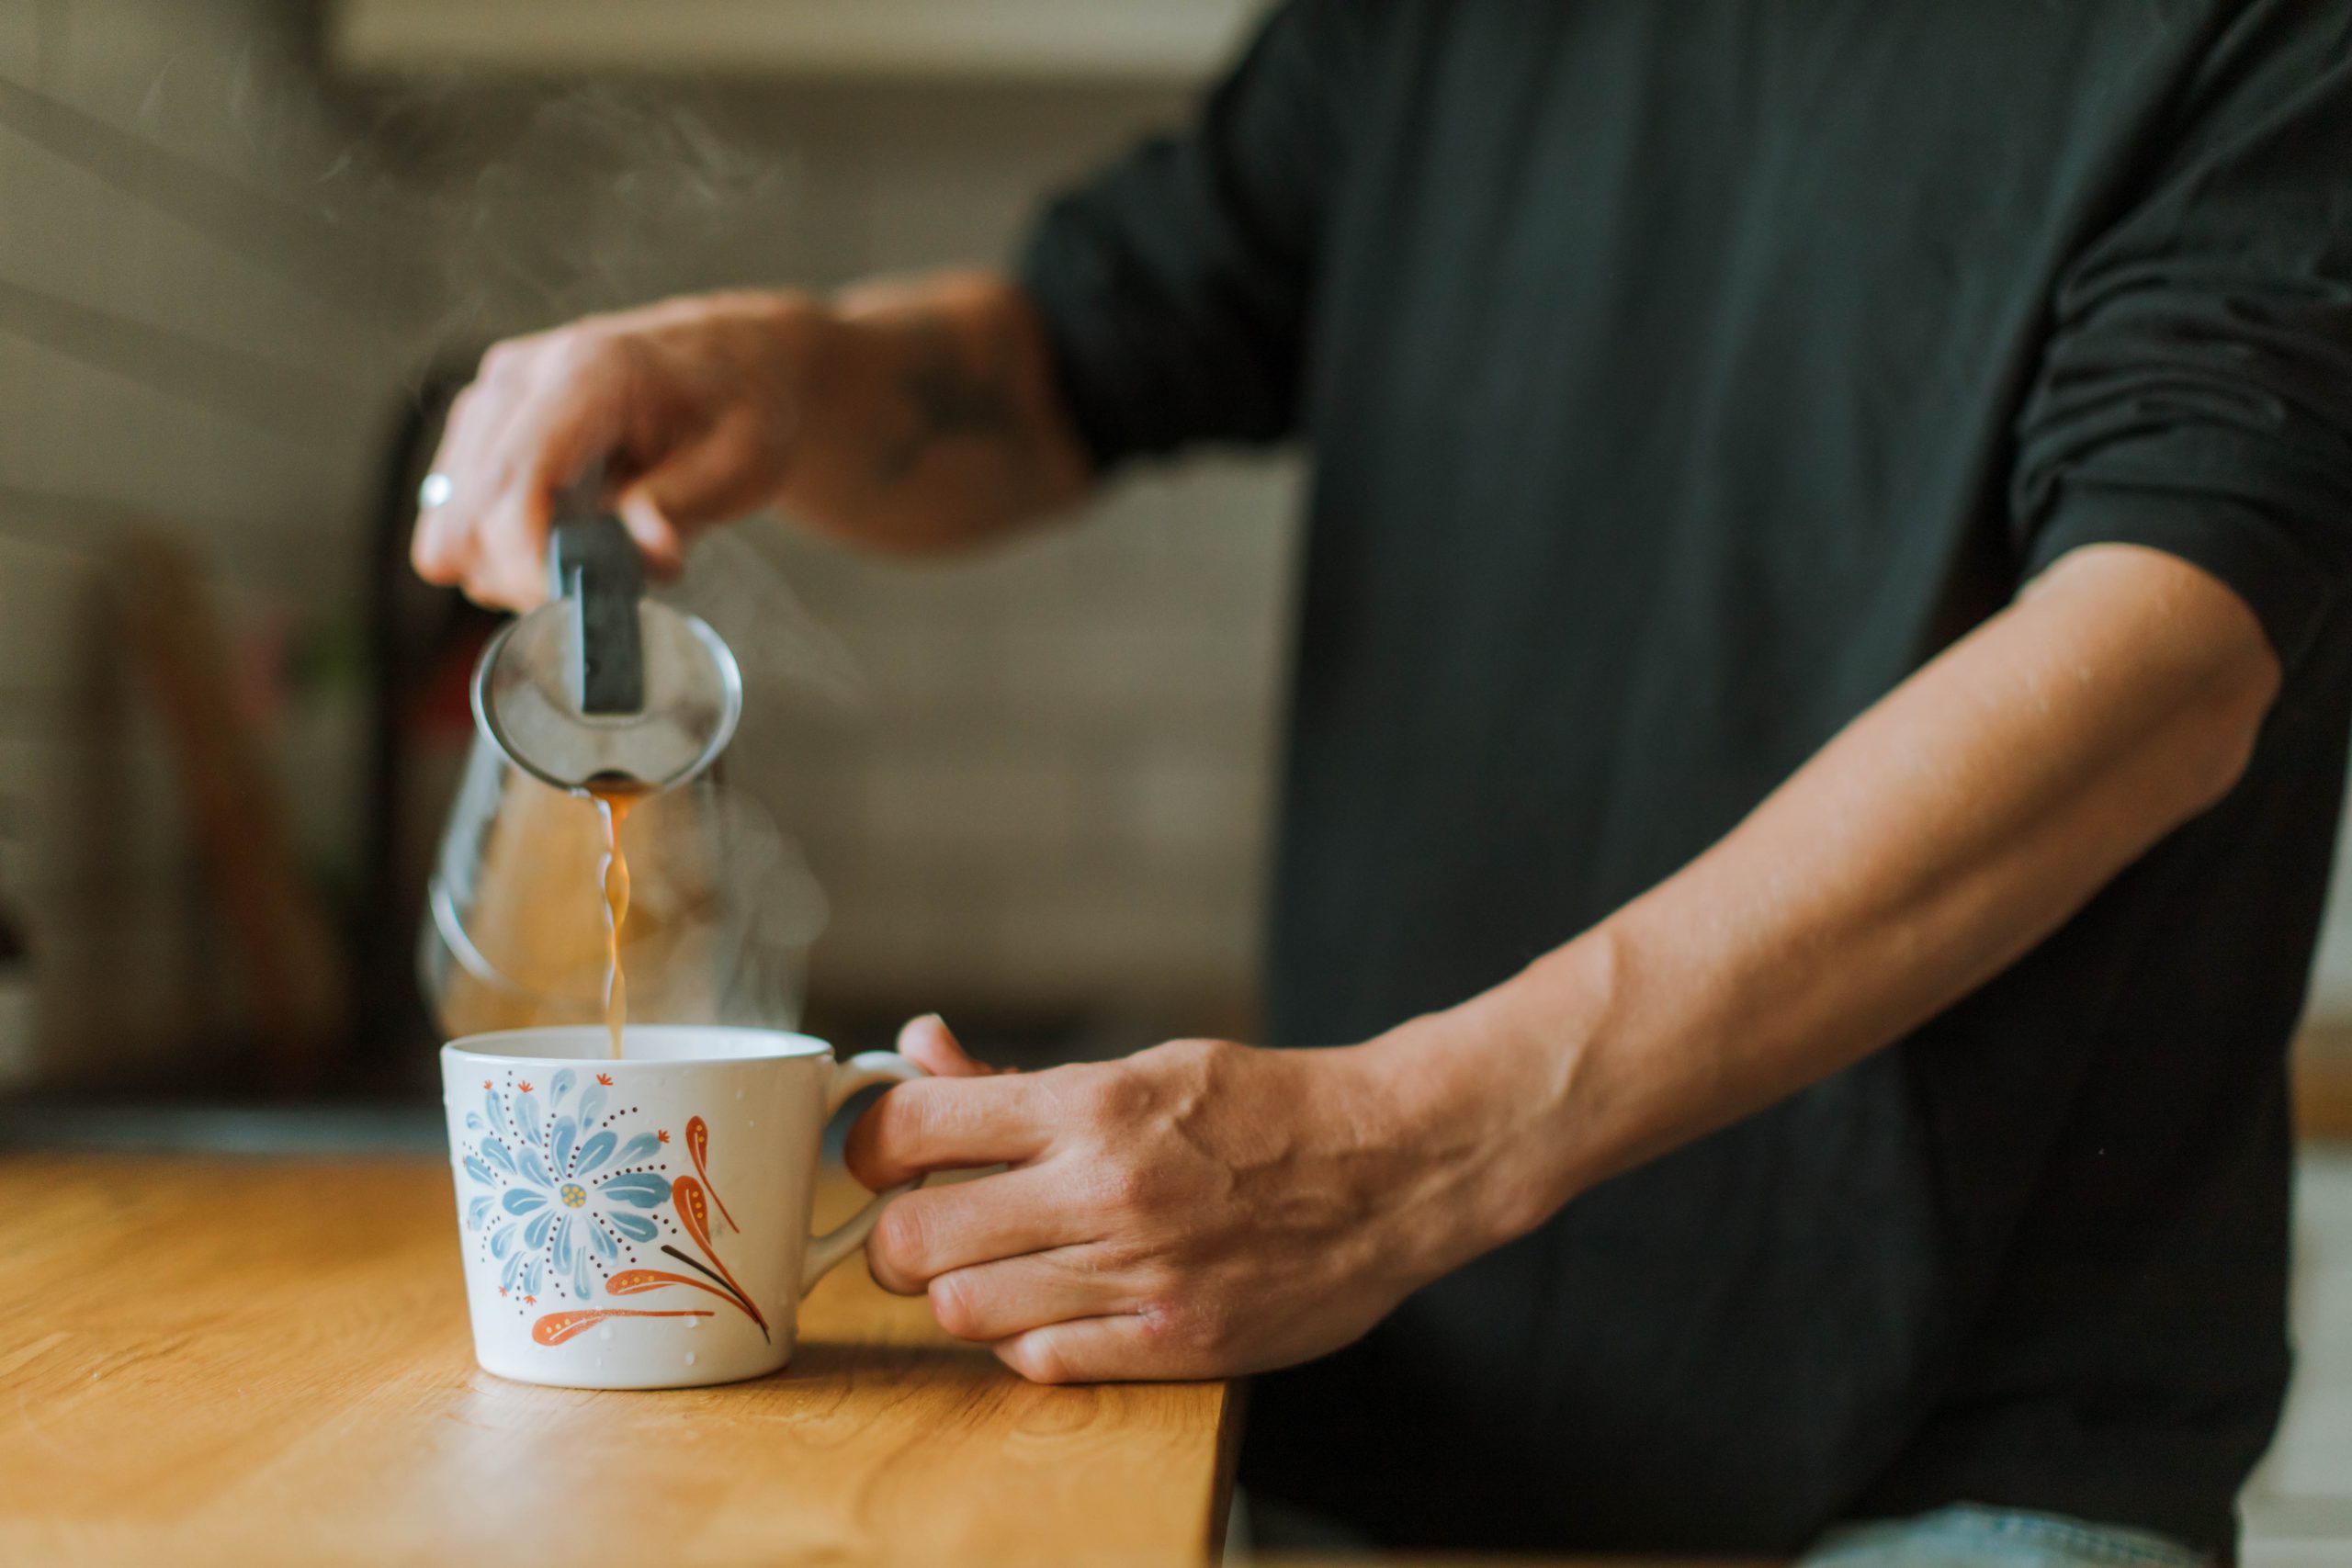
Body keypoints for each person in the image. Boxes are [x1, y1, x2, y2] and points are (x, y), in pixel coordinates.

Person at [411, 3, 2352, 1561]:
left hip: (1952, 1440)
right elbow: (1050, 374)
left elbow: (2163, 658)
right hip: (1391, 1400)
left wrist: (1402, 1148)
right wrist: (783, 367)